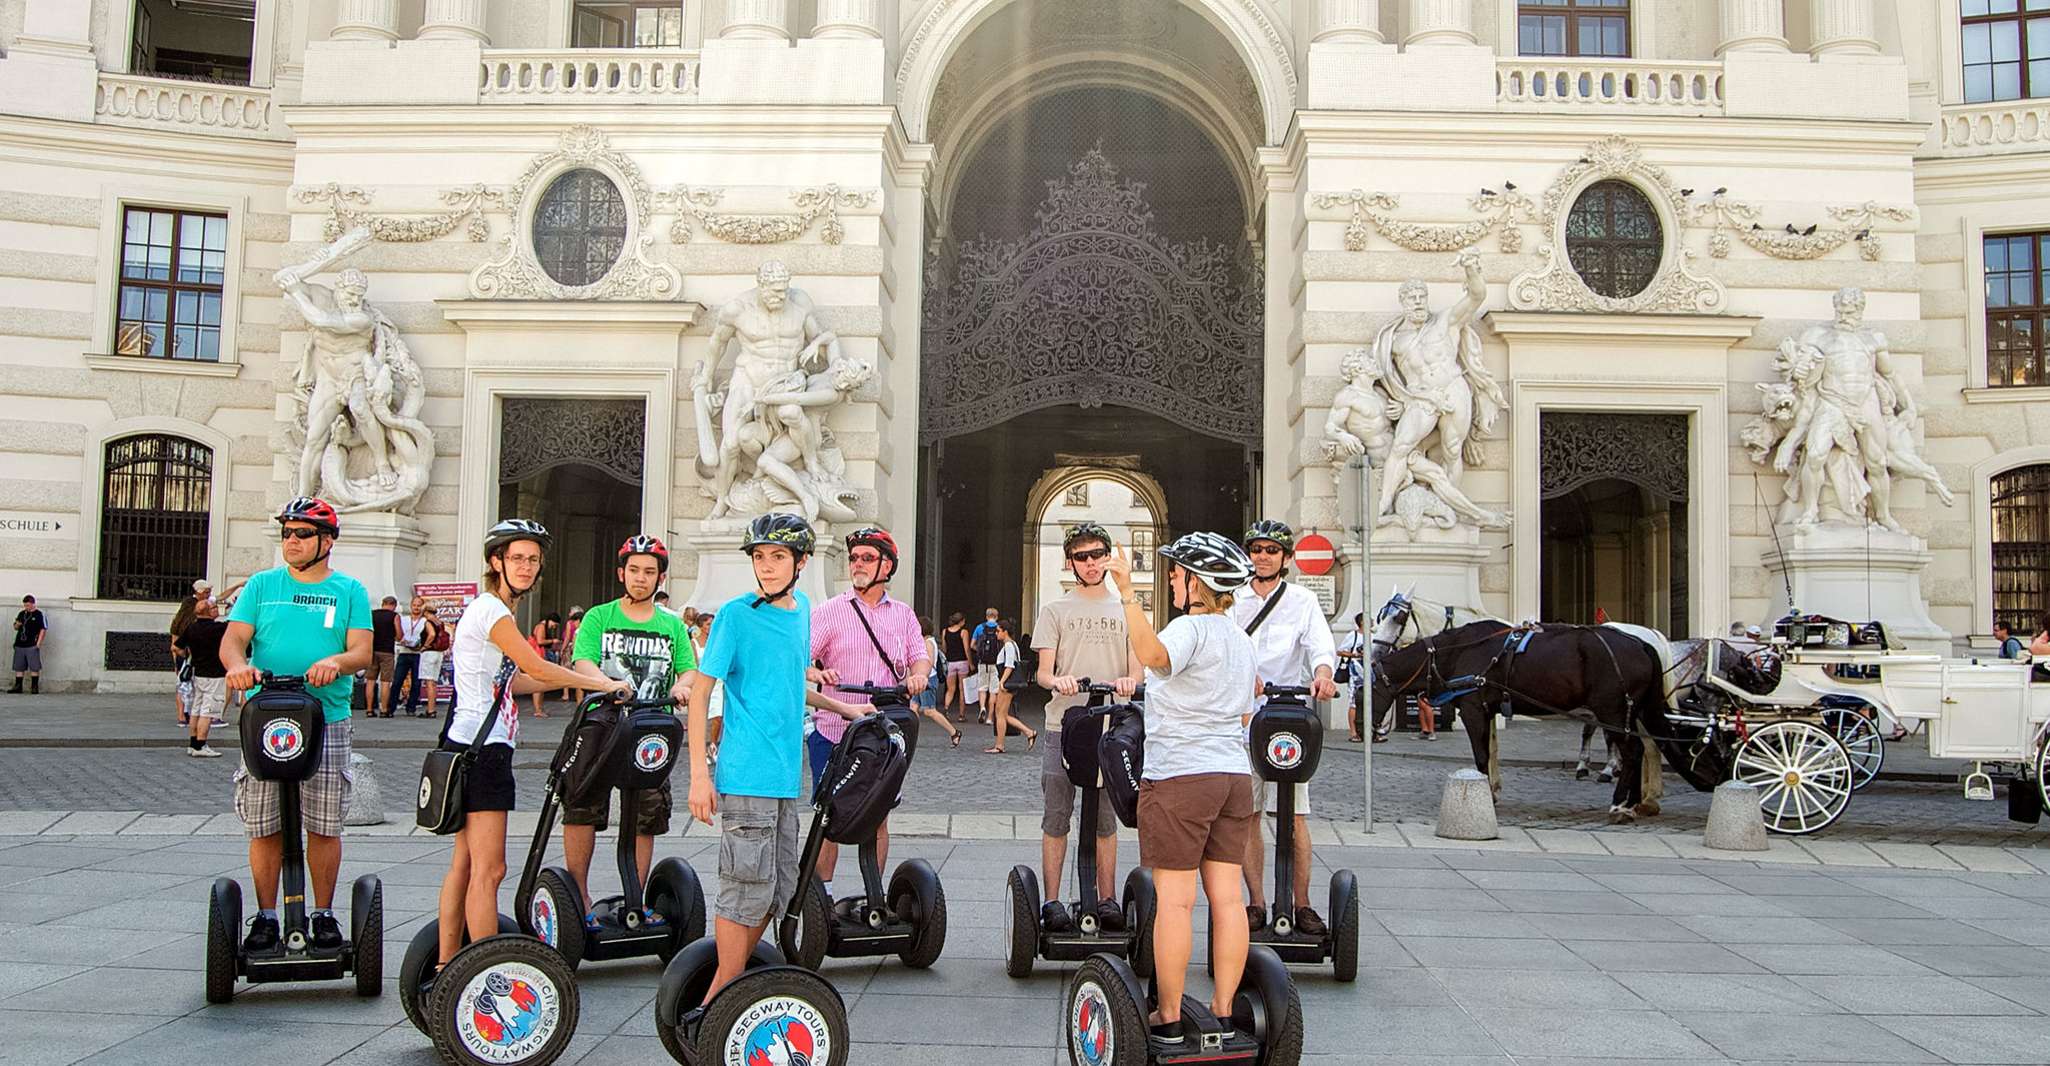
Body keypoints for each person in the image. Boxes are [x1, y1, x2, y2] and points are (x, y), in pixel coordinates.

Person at [684, 513, 864, 1005]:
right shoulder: (735, 616)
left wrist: (845, 707)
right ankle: (717, 1001)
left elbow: (789, 684)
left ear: (801, 562)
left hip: (786, 778)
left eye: (777, 556)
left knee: (778, 890)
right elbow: (701, 693)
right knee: (743, 889)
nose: (766, 566)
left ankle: (731, 986)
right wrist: (700, 776)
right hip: (746, 775)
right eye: (760, 557)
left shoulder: (801, 609)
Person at [435, 520, 627, 975]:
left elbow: (514, 680)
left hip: (465, 742)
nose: (525, 566)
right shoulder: (493, 612)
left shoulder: (491, 611)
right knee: (491, 870)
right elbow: (536, 666)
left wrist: (587, 686)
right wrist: (597, 682)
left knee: (464, 864)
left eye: (533, 559)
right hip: (483, 752)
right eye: (516, 557)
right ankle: (485, 975)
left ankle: (447, 963)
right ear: (495, 561)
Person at [1103, 532, 1257, 1054]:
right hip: (1233, 778)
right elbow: (1241, 713)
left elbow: (1153, 654)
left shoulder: (1190, 627)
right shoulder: (1241, 639)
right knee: (1229, 899)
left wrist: (1126, 593)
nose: (1170, 577)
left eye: (1176, 572)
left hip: (1182, 777)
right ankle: (1222, 1012)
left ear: (1198, 583)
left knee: (1175, 902)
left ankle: (1168, 1017)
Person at [218, 497, 373, 957]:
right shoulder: (262, 586)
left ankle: (323, 914)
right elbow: (233, 640)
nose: (291, 541)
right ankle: (266, 917)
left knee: (324, 825)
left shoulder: (349, 590)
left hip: (325, 718)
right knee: (263, 824)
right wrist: (237, 667)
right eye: (287, 532)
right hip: (266, 717)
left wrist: (335, 661)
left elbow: (361, 651)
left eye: (302, 534)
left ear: (326, 542)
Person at [564, 536, 695, 928]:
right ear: (622, 573)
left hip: (649, 729)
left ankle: (635, 899)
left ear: (660, 577)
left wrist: (681, 686)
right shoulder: (599, 617)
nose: (641, 578)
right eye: (634, 570)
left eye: (649, 572)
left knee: (646, 815)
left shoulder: (671, 624)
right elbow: (582, 661)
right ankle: (579, 897)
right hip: (602, 725)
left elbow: (686, 667)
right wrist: (607, 684)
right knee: (583, 808)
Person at [807, 526, 936, 905]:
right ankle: (822, 899)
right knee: (830, 816)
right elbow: (798, 661)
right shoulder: (830, 612)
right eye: (854, 558)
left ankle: (872, 897)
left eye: (867, 558)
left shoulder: (903, 615)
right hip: (835, 731)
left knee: (879, 815)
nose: (857, 565)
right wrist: (815, 672)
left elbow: (920, 655)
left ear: (887, 565)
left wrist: (919, 675)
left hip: (884, 734)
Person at [1228, 520, 1338, 937]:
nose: (1262, 556)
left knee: (1294, 816)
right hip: (1243, 720)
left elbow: (1320, 646)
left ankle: (1303, 903)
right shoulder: (1233, 601)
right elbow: (1222, 643)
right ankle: (1255, 902)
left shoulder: (1303, 601)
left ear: (1286, 558)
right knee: (1247, 815)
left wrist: (1323, 675)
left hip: (1287, 719)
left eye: (1271, 550)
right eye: (1256, 548)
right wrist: (1243, 673)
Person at [1033, 521, 1140, 933]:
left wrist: (1130, 681)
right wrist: (1057, 679)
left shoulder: (1126, 610)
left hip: (1111, 728)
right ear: (1071, 562)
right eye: (1082, 556)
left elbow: (1137, 668)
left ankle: (1108, 898)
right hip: (1065, 724)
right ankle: (1052, 901)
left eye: (1098, 555)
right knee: (1057, 814)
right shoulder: (1056, 610)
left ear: (1108, 557)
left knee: (1106, 820)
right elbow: (1043, 672)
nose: (1091, 563)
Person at [175, 596, 232, 757]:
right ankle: (201, 745)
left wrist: (189, 657)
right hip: (215, 674)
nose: (216, 610)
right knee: (208, 711)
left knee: (196, 710)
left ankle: (193, 743)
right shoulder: (218, 628)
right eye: (214, 608)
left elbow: (176, 647)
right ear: (208, 612)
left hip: (198, 673)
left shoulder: (192, 628)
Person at [985, 617, 1036, 753]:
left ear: (1005, 632)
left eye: (998, 631)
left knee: (1000, 714)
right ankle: (1028, 732)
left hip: (1007, 683)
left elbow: (1009, 666)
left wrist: (1002, 682)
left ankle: (1000, 745)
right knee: (1002, 713)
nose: (996, 634)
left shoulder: (1008, 646)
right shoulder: (1011, 645)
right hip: (1009, 682)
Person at [393, 595, 430, 715]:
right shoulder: (403, 619)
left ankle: (411, 707)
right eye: (414, 605)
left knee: (416, 682)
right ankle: (391, 706)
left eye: (419, 605)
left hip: (417, 653)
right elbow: (397, 632)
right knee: (398, 680)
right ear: (411, 606)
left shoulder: (425, 621)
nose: (416, 608)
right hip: (404, 652)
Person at [170, 591, 202, 723]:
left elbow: (173, 645)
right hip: (191, 656)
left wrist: (176, 663)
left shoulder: (177, 622)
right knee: (193, 686)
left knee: (181, 686)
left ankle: (181, 716)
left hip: (180, 656)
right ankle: (190, 713)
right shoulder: (194, 624)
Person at [366, 595, 400, 717]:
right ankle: (384, 710)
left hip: (372, 650)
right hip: (387, 651)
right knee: (385, 681)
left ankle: (369, 710)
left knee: (370, 680)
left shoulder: (372, 614)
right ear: (394, 605)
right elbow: (399, 635)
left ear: (382, 603)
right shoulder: (394, 616)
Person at [1337, 612, 1367, 743]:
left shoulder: (1373, 636)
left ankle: (1371, 731)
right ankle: (1354, 732)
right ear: (1362, 622)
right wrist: (1355, 655)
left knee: (1372, 701)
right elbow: (1340, 651)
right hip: (1356, 672)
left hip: (1370, 671)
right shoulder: (1353, 635)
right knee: (1354, 702)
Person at [416, 605, 450, 718]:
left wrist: (425, 646)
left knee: (429, 682)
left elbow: (432, 634)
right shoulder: (439, 622)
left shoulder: (428, 622)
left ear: (426, 612)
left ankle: (430, 710)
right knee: (434, 682)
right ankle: (432, 708)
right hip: (438, 653)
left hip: (429, 653)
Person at [528, 612, 562, 718]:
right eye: (554, 625)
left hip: (538, 654)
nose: (553, 627)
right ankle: (538, 709)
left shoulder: (541, 626)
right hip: (537, 654)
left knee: (541, 682)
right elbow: (540, 641)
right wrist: (553, 640)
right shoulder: (541, 627)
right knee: (538, 682)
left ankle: (539, 707)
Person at [940, 612, 973, 722]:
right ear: (962, 621)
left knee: (950, 689)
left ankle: (946, 708)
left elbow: (944, 648)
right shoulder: (963, 632)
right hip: (962, 662)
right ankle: (961, 715)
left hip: (950, 663)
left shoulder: (945, 631)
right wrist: (970, 663)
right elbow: (966, 648)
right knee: (962, 689)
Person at [972, 607, 1002, 725]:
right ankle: (990, 717)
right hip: (995, 663)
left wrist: (980, 652)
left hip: (982, 662)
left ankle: (982, 708)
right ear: (997, 616)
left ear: (986, 616)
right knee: (993, 690)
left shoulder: (980, 628)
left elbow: (972, 645)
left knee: (982, 688)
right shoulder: (999, 628)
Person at [11, 593, 45, 694]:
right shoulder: (22, 614)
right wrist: (17, 624)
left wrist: (38, 643)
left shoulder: (39, 614)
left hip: (32, 644)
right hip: (20, 643)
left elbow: (43, 629)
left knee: (34, 666)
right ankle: (18, 686)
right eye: (25, 605)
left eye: (28, 605)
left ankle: (34, 687)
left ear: (33, 604)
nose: (26, 607)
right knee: (19, 666)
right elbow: (16, 627)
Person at [559, 607, 586, 705]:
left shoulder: (578, 631)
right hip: (588, 659)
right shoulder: (589, 629)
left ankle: (580, 703)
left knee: (579, 682)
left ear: (578, 620)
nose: (574, 624)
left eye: (574, 621)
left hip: (579, 658)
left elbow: (574, 646)